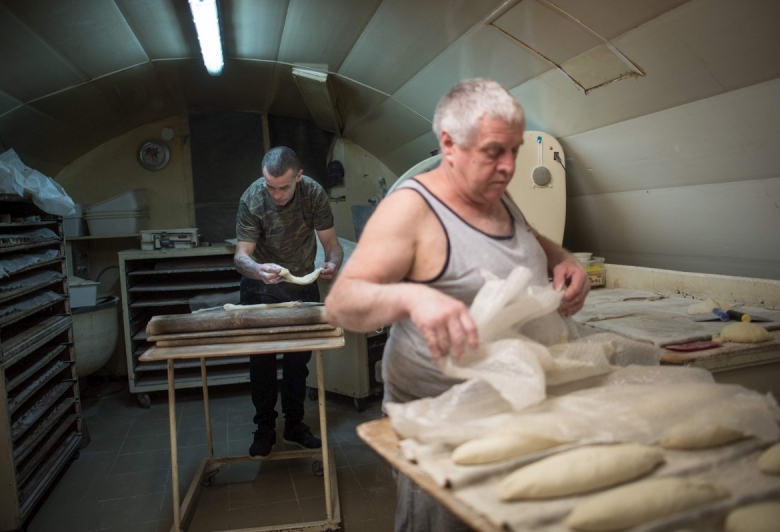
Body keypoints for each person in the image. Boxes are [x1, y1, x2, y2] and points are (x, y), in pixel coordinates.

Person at [325, 78, 590, 531]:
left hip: (512, 396)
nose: (507, 166)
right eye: (493, 152)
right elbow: (343, 303)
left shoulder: (496, 192)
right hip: (441, 411)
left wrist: (563, 259)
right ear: (449, 143)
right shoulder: (412, 209)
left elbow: (529, 236)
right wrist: (412, 296)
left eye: (514, 151)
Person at [234, 146, 343, 458]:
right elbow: (241, 256)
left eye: (283, 187)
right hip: (260, 285)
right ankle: (264, 428)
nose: (277, 194)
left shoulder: (314, 195)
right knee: (263, 362)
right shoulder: (253, 197)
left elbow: (332, 246)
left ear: (299, 176)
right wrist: (256, 269)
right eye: (271, 186)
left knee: (297, 363)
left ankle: (294, 425)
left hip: (301, 283)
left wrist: (332, 264)